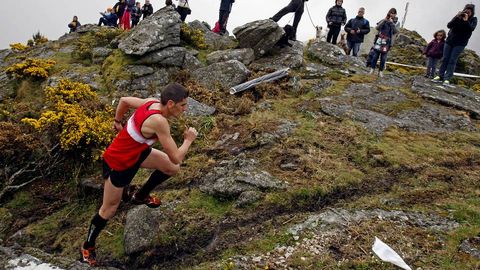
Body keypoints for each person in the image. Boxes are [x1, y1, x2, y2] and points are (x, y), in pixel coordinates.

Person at [80, 83, 198, 266]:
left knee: (171, 169)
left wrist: (118, 121)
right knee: (109, 209)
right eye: (183, 105)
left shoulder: (151, 102)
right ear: (171, 104)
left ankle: (140, 195)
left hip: (137, 153)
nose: (185, 109)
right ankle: (88, 246)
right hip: (118, 163)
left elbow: (124, 101)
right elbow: (176, 157)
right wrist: (188, 140)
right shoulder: (159, 122)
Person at [433, 4, 477, 85]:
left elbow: (470, 29)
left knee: (452, 60)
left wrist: (466, 20)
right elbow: (449, 25)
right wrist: (456, 17)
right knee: (445, 58)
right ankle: (440, 75)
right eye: (466, 10)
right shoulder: (459, 16)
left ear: (472, 12)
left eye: (470, 11)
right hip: (449, 41)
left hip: (460, 43)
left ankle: (447, 78)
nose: (467, 12)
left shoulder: (473, 19)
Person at [369, 8, 400, 78]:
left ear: (395, 14)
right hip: (379, 40)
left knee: (383, 58)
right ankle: (372, 69)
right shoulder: (384, 20)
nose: (392, 14)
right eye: (391, 13)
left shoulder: (397, 23)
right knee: (375, 56)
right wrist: (384, 21)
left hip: (388, 42)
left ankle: (380, 72)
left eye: (393, 13)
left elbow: (396, 32)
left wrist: (392, 23)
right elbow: (377, 28)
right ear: (389, 13)